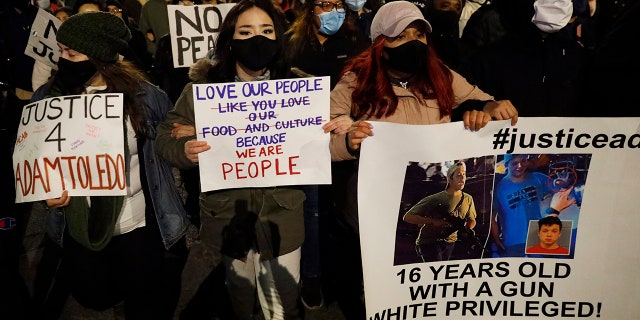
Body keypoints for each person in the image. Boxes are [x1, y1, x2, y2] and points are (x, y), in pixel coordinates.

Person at [323, 0, 518, 316]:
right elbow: (326, 136)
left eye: (419, 35)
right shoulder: (356, 81)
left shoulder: (440, 75)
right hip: (376, 210)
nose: (413, 43)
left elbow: (479, 99)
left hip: (430, 200)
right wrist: (348, 140)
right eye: (401, 37)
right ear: (380, 44)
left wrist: (489, 108)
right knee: (381, 286)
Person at [154, 1, 325, 318]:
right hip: (228, 215)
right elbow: (165, 138)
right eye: (246, 31)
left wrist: (344, 137)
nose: (257, 39)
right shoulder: (201, 92)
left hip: (282, 218)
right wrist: (185, 150)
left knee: (283, 300)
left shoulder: (298, 90)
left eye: (267, 30)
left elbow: (327, 145)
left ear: (278, 37)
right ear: (230, 39)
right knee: (240, 292)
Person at [32, 11, 190, 319]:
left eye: (72, 53)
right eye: (61, 51)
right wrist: (44, 189)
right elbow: (27, 153)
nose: (62, 59)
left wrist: (186, 138)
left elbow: (168, 141)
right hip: (79, 224)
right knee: (94, 294)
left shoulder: (144, 96)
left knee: (143, 301)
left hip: (137, 225)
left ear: (100, 57)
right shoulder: (47, 97)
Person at [491, 154, 575, 257]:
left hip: (537, 235)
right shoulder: (499, 189)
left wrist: (560, 183)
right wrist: (496, 238)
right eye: (514, 163)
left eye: (523, 161)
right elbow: (492, 216)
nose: (520, 166)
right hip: (513, 241)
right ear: (506, 164)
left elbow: (557, 187)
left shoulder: (537, 178)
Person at [403, 161, 476, 262]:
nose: (462, 178)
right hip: (430, 242)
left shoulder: (468, 199)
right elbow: (408, 217)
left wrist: (468, 229)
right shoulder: (437, 199)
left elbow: (471, 219)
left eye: (464, 175)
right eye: (458, 175)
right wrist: (433, 221)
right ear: (450, 178)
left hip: (450, 242)